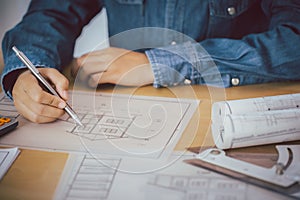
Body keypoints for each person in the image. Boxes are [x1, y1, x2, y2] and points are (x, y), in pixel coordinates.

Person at [1, 0, 300, 123]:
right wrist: (29, 71)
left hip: (233, 112)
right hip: (126, 108)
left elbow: (294, 42)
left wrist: (159, 64)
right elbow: (52, 13)